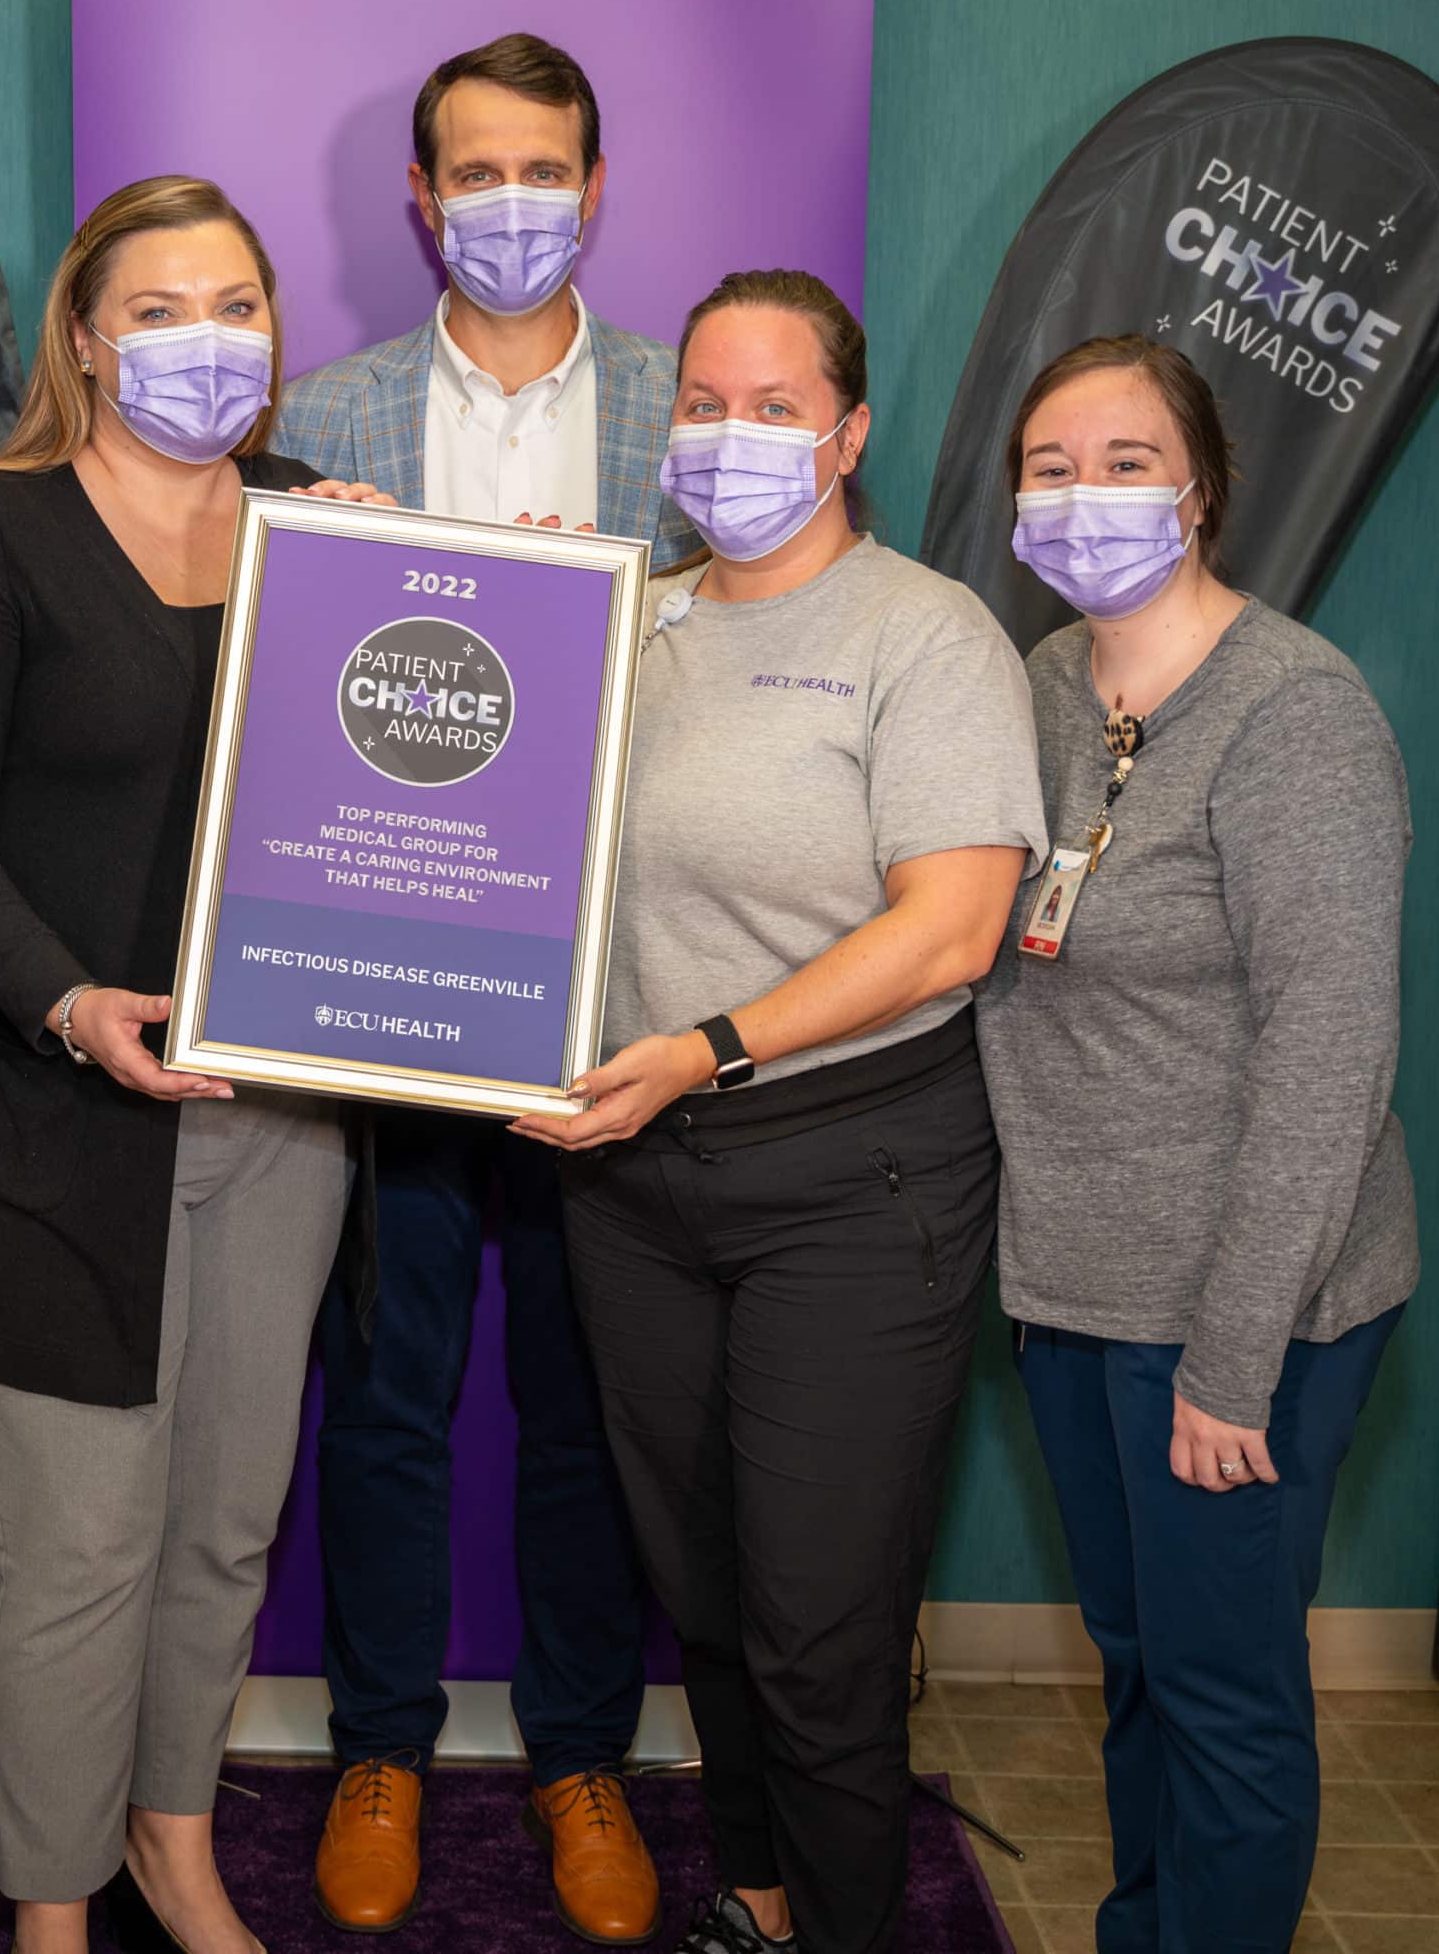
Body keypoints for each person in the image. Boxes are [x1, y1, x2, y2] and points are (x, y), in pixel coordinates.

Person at [518, 268, 1049, 1954]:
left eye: (772, 408)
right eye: (700, 405)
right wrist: (454, 594)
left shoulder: (926, 630)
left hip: (854, 1173)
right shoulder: (624, 623)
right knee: (713, 1596)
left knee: (821, 1621)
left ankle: (841, 1922)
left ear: (849, 433)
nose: (729, 438)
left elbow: (950, 927)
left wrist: (708, 1048)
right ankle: (753, 1900)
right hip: (635, 1185)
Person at [0, 176, 375, 1954]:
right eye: (158, 308)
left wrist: (469, 591)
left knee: (225, 1528)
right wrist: (73, 1002)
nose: (203, 340)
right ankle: (56, 1905)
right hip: (43, 1119)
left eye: (235, 302)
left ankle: (173, 1842)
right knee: (81, 1546)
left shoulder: (326, 530)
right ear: (87, 339)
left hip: (280, 1119)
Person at [271, 30, 696, 1945]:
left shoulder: (703, 420)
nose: (510, 205)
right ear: (422, 197)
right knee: (384, 1392)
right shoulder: (325, 416)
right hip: (392, 990)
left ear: (596, 193)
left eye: (548, 173)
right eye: (476, 174)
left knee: (589, 1398)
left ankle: (584, 1755)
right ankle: (379, 1743)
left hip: (625, 999)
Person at [977, 335, 1416, 1954]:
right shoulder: (1034, 685)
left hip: (1248, 1314)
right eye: (1049, 466)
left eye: (1125, 462)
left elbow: (1332, 1055)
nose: (1082, 496)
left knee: (1226, 1696)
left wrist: (1234, 1359)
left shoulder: (1296, 715)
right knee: (1141, 1663)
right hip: (1078, 1292)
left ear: (1203, 489)